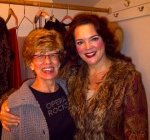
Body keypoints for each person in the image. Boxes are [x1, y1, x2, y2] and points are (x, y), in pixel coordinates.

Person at [0, 13, 148, 139]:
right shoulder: (73, 73)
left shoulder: (127, 79)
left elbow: (138, 133)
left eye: (94, 38)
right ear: (75, 46)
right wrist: (8, 103)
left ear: (104, 39)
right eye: (80, 42)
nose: (88, 47)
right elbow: (44, 83)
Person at [0, 28, 75, 140]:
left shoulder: (71, 88)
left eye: (53, 54)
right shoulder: (15, 106)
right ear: (31, 64)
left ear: (59, 61)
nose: (48, 61)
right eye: (40, 56)